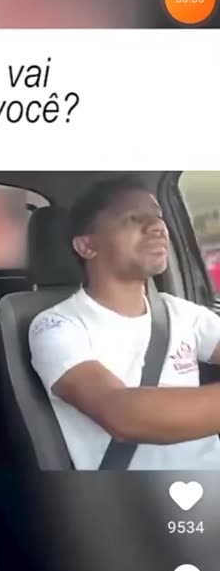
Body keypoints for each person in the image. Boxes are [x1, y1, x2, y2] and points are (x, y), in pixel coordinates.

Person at [29, 177, 220, 471]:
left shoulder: (183, 313)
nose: (158, 227)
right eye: (133, 218)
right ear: (87, 245)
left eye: (158, 217)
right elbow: (122, 414)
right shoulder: (56, 326)